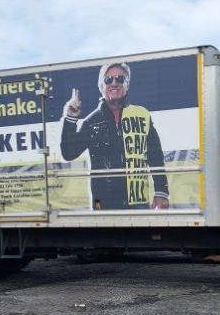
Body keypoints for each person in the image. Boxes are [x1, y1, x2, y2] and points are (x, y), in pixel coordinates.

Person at [60, 62, 169, 210]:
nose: (114, 83)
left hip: (137, 200)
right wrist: (70, 119)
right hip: (102, 202)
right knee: (107, 234)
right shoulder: (91, 122)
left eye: (120, 79)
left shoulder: (142, 114)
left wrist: (161, 191)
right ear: (101, 86)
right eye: (108, 79)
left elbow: (154, 155)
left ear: (127, 84)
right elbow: (68, 153)